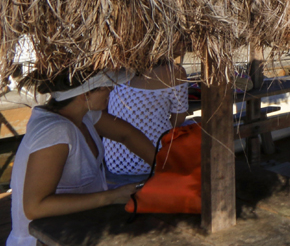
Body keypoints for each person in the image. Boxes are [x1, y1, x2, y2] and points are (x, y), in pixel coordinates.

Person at [8, 68, 156, 246]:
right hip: (43, 240)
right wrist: (112, 196)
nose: (111, 90)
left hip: (76, 229)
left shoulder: (83, 115)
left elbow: (127, 135)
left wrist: (164, 168)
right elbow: (35, 207)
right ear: (84, 94)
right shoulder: (56, 131)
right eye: (105, 87)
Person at [103, 53, 190, 188]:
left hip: (116, 159)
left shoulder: (115, 67)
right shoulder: (175, 72)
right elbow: (179, 117)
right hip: (156, 158)